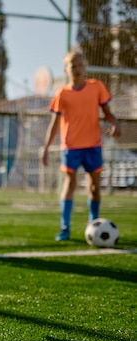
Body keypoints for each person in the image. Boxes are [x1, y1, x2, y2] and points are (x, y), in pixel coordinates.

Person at [42, 47, 121, 241]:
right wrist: (45, 147)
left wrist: (114, 122)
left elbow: (107, 111)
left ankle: (93, 222)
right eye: (72, 66)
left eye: (80, 65)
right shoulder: (61, 94)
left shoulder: (97, 87)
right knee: (70, 183)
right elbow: (54, 124)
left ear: (85, 67)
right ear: (65, 70)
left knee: (94, 186)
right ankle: (65, 226)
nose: (77, 69)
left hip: (93, 145)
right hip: (70, 146)